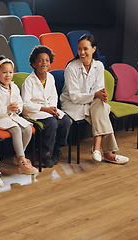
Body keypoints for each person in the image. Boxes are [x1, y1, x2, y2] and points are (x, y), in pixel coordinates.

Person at [60, 34, 129, 164]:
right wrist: (96, 95)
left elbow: (99, 90)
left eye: (85, 49)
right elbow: (74, 97)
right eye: (79, 49)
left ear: (94, 49)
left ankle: (97, 149)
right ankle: (107, 153)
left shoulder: (99, 66)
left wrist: (99, 95)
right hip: (72, 104)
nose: (81, 52)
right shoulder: (71, 68)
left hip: (92, 103)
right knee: (102, 112)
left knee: (100, 105)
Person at [0, 56, 37, 174]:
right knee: (16, 129)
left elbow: (20, 103)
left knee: (28, 128)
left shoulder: (14, 87)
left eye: (10, 72)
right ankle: (22, 160)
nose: (8, 75)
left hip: (11, 116)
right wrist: (6, 109)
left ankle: (18, 156)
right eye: (4, 72)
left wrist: (17, 109)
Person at [22, 46, 71, 168]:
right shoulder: (28, 82)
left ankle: (58, 148)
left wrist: (53, 108)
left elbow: (53, 96)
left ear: (50, 63)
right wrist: (45, 109)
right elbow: (26, 104)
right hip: (34, 112)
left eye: (47, 60)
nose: (44, 63)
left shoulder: (50, 77)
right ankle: (44, 153)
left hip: (49, 109)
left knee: (65, 120)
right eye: (40, 60)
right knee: (51, 123)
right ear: (33, 64)